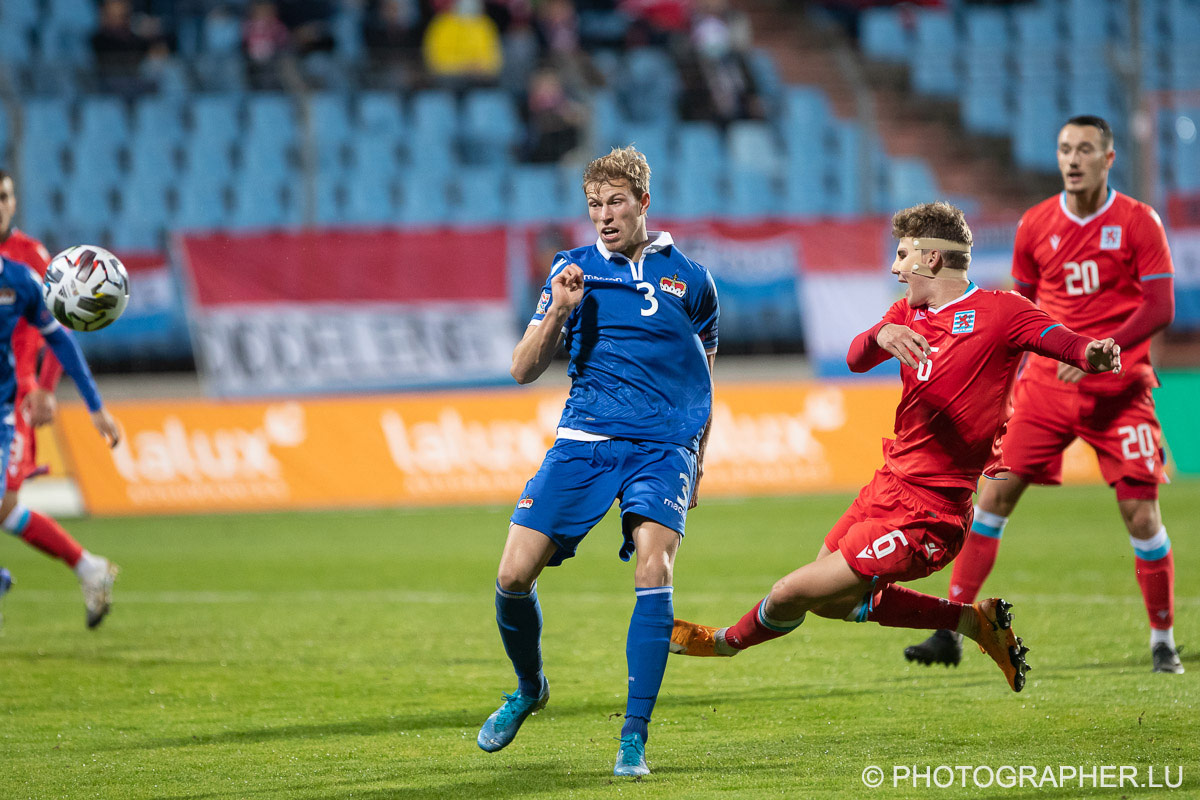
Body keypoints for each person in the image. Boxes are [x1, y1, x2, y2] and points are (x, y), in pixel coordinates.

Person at [670, 202, 1122, 696]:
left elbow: (1062, 341)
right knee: (830, 602)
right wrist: (881, 333)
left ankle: (723, 642)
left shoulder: (1002, 311)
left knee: (790, 591)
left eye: (904, 254)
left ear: (932, 259)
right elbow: (855, 357)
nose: (894, 266)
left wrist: (1092, 352)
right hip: (888, 485)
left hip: (932, 512)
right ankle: (973, 622)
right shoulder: (906, 311)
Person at [904, 116, 1182, 675]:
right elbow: (1017, 317)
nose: (1072, 159)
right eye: (1064, 149)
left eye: (1085, 149)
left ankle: (1162, 640)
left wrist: (1102, 350)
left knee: (1140, 512)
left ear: (1107, 159)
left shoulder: (1137, 222)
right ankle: (952, 629)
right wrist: (998, 390)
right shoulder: (1036, 224)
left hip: (1120, 390)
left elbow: (1160, 307)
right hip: (1047, 389)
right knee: (991, 501)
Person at [476, 146, 719, 777]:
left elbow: (706, 379)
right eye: (594, 206)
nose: (604, 216)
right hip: (585, 440)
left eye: (615, 202)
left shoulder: (692, 280)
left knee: (654, 566)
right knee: (511, 577)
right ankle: (529, 688)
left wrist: (699, 459)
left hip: (664, 448)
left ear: (643, 201)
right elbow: (522, 370)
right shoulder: (571, 271)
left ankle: (632, 738)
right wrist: (559, 308)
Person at [0, 171, 121, 629]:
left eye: (6, 196)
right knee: (5, 508)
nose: (1, 204)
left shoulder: (30, 259)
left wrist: (46, 386)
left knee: (4, 503)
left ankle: (85, 566)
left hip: (15, 399)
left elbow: (60, 326)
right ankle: (88, 566)